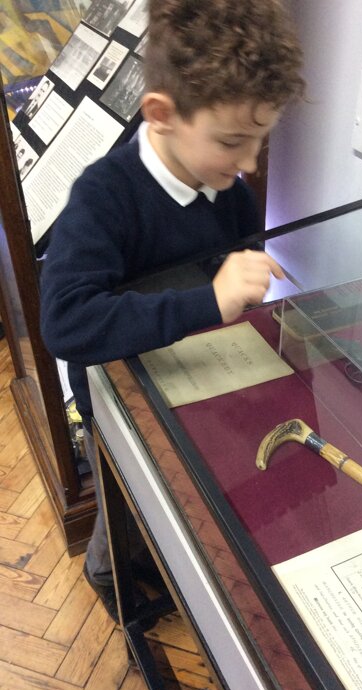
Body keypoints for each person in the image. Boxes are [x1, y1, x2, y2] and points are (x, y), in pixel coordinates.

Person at [39, 0, 304, 623]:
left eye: (260, 141)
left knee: (186, 500)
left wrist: (243, 284)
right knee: (127, 513)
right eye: (233, 142)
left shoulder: (227, 190)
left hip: (198, 377)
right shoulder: (104, 198)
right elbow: (66, 321)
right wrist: (209, 300)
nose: (249, 164)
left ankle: (169, 562)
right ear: (160, 114)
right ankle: (111, 576)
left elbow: (236, 261)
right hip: (123, 401)